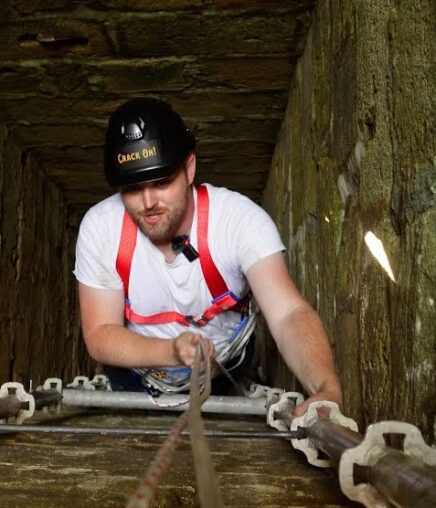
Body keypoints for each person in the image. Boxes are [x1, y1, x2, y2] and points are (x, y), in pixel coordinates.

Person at [73, 98, 341, 416]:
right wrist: (172, 351)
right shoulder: (101, 229)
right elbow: (100, 333)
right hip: (136, 379)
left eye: (161, 182)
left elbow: (287, 314)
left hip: (226, 373)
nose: (148, 202)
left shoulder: (239, 222)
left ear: (189, 169)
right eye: (132, 188)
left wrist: (327, 388)